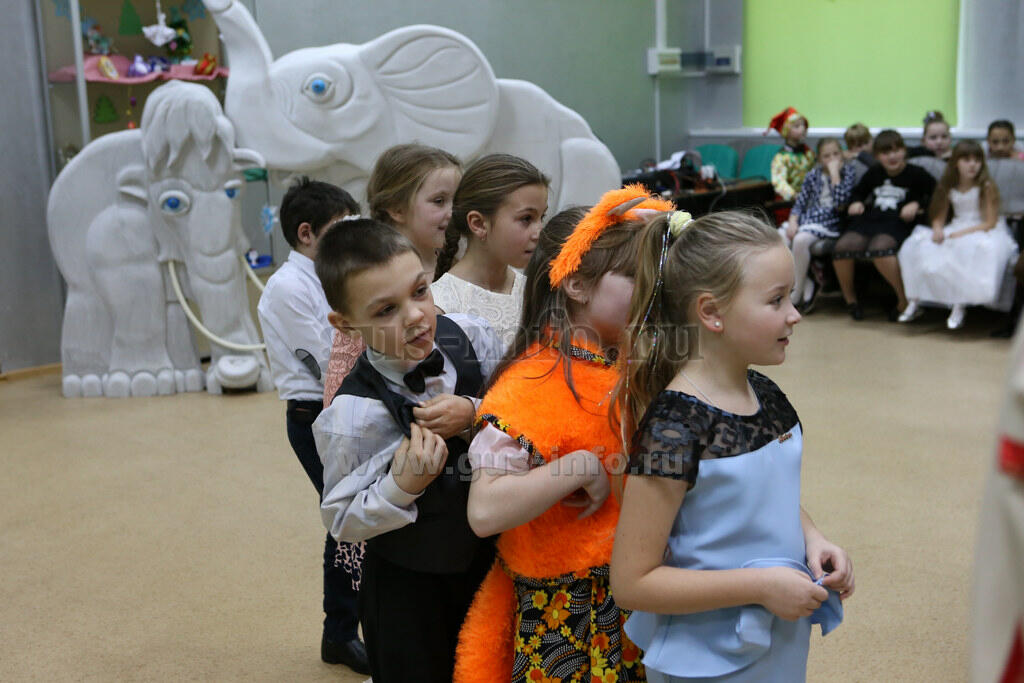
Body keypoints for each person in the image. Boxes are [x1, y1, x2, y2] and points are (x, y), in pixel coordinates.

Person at [609, 209, 854, 683]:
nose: (795, 314)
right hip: (706, 657)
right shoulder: (674, 427)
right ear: (711, 312)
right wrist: (760, 586)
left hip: (776, 633)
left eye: (791, 296)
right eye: (776, 300)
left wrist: (814, 540)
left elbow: (765, 493)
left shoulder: (765, 392)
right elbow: (632, 582)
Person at [454, 189, 662, 683]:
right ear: (576, 285)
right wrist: (578, 466)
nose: (651, 291)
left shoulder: (627, 366)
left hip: (633, 594)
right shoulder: (528, 384)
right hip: (565, 616)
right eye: (635, 278)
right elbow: (484, 511)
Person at [313, 217, 501, 683]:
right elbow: (341, 518)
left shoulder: (471, 336)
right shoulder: (353, 415)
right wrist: (402, 486)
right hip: (408, 588)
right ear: (346, 324)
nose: (415, 316)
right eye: (386, 310)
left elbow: (521, 407)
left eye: (420, 291)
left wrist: (475, 412)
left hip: (494, 565)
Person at [254, 178, 368, 673]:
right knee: (349, 520)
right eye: (341, 228)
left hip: (351, 406)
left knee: (360, 518)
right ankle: (339, 634)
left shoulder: (333, 276)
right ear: (306, 233)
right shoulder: (287, 287)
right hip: (315, 414)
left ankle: (348, 630)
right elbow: (327, 362)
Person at [322, 143, 462, 406]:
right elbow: (340, 388)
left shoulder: (459, 268)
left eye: (458, 200)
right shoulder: (365, 285)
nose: (453, 211)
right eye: (439, 201)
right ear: (397, 209)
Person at [431, 154, 550, 347]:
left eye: (541, 218)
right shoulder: (441, 306)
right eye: (526, 218)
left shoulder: (534, 293)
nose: (539, 232)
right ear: (478, 224)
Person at [897, 140, 1018, 329]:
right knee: (917, 245)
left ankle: (959, 304)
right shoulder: (948, 186)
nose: (972, 165)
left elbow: (990, 222)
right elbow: (939, 216)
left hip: (982, 229)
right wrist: (937, 229)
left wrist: (962, 233)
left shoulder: (986, 186)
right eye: (966, 160)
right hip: (956, 226)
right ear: (955, 163)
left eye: (977, 160)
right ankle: (915, 299)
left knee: (968, 250)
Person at [832, 129, 936, 320]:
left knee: (880, 248)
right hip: (872, 219)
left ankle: (904, 301)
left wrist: (918, 204)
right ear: (877, 156)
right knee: (843, 246)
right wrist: (857, 202)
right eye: (886, 152)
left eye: (896, 150)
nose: (892, 156)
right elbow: (859, 192)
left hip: (898, 222)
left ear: (904, 151)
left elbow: (938, 193)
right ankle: (850, 300)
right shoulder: (874, 172)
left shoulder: (917, 173)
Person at [782, 137, 856, 312]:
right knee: (780, 237)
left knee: (800, 240)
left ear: (842, 154)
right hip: (810, 219)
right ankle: (808, 280)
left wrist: (835, 175)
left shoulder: (848, 172)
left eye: (836, 154)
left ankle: (795, 295)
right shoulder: (813, 174)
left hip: (832, 221)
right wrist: (793, 221)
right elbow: (800, 202)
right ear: (819, 159)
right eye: (826, 156)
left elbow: (841, 203)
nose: (832, 159)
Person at [766, 107, 815, 202]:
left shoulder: (809, 153)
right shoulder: (781, 157)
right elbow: (779, 181)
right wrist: (793, 195)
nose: (803, 129)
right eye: (797, 126)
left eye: (803, 125)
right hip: (788, 202)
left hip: (809, 198)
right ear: (786, 132)